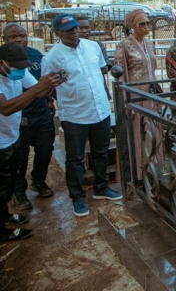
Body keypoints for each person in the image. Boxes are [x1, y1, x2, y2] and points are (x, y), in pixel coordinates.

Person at [42, 14, 122, 218]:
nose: (74, 32)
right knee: (75, 159)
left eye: (75, 28)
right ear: (57, 33)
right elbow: (47, 87)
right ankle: (77, 197)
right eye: (68, 30)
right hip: (75, 115)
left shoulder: (92, 47)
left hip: (100, 110)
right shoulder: (51, 58)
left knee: (101, 152)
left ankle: (101, 187)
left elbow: (100, 71)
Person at [0, 43, 61, 242]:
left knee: (8, 183)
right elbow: (6, 108)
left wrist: (51, 83)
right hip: (1, 141)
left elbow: (38, 91)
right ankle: (1, 231)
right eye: (15, 66)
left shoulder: (18, 71)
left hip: (11, 135)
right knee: (1, 186)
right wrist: (38, 89)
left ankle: (5, 218)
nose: (20, 70)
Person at [113, 9, 165, 178]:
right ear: (132, 26)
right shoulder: (123, 46)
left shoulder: (149, 44)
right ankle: (137, 175)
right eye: (142, 24)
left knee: (153, 130)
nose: (146, 27)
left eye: (148, 23)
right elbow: (120, 76)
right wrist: (126, 101)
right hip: (135, 95)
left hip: (151, 94)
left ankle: (154, 172)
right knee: (137, 132)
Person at [76, 16, 112, 99]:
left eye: (87, 27)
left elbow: (105, 69)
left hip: (99, 90)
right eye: (80, 28)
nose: (84, 31)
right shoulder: (70, 49)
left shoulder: (97, 45)